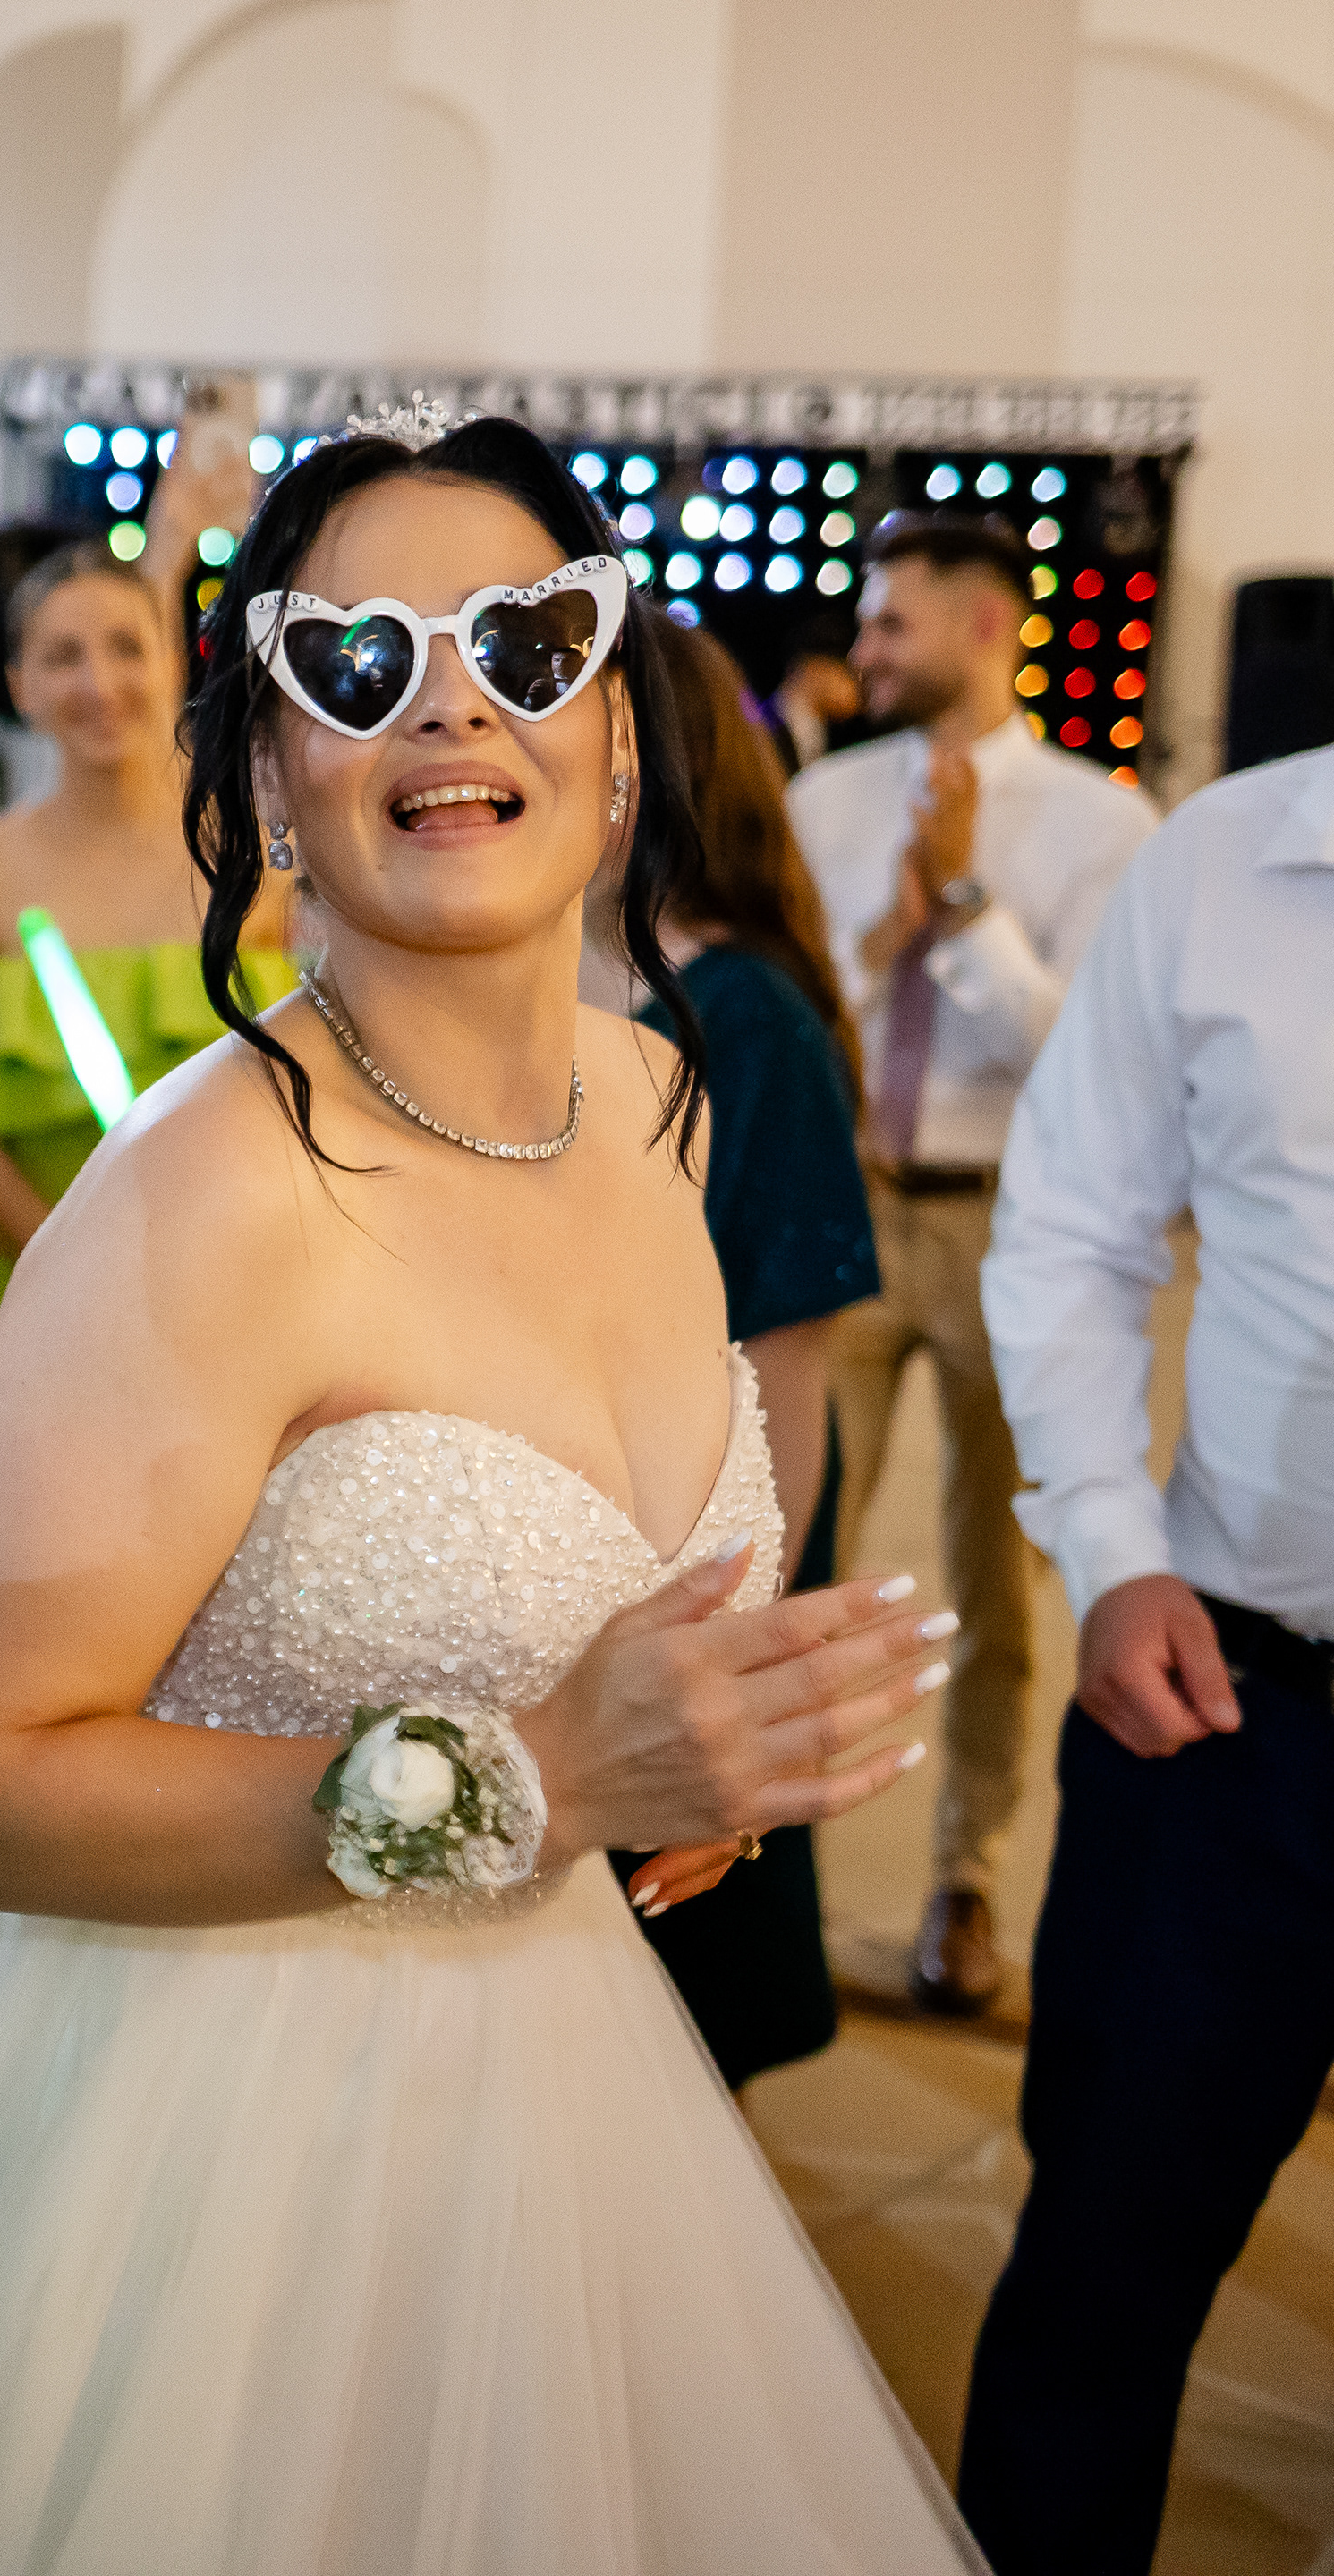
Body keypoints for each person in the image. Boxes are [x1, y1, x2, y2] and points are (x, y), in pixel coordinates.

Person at [0, 418, 981, 2573]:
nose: (451, 704)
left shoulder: (663, 1102)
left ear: (619, 739)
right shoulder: (208, 1191)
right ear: (271, 775)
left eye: (524, 645)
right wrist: (534, 1773)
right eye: (357, 662)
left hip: (559, 2083)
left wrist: (681, 1747)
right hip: (206, 2146)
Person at [958, 747, 1334, 2575]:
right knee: (1100, 2281)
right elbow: (1072, 1226)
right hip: (1230, 1710)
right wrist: (1110, 1554)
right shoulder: (1227, 860)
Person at [789, 512, 1157, 2013]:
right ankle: (761, 1863)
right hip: (844, 1203)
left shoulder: (1102, 825)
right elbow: (798, 1006)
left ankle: (968, 1878)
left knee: (999, 1577)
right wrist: (882, 939)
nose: (864, 647)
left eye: (891, 620)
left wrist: (961, 908)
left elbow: (1085, 1055)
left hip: (1016, 1221)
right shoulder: (823, 799)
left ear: (984, 625)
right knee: (793, 1543)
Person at [603, 610, 883, 2085]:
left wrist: (746, 1645)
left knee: (681, 2021)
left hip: (703, 1539)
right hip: (560, 1538)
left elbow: (787, 1374)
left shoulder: (747, 1017)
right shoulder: (546, 985)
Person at [0, 540, 295, 1519]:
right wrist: (79, 1272)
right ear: (18, 685)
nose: (98, 683)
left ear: (171, 661)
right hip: (27, 1279)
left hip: (234, 1290)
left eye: (126, 647)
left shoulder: (257, 862)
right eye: (62, 656)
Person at [757, 606, 864, 779]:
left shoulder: (834, 731)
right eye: (850, 675)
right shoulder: (759, 730)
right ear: (816, 668)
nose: (860, 690)